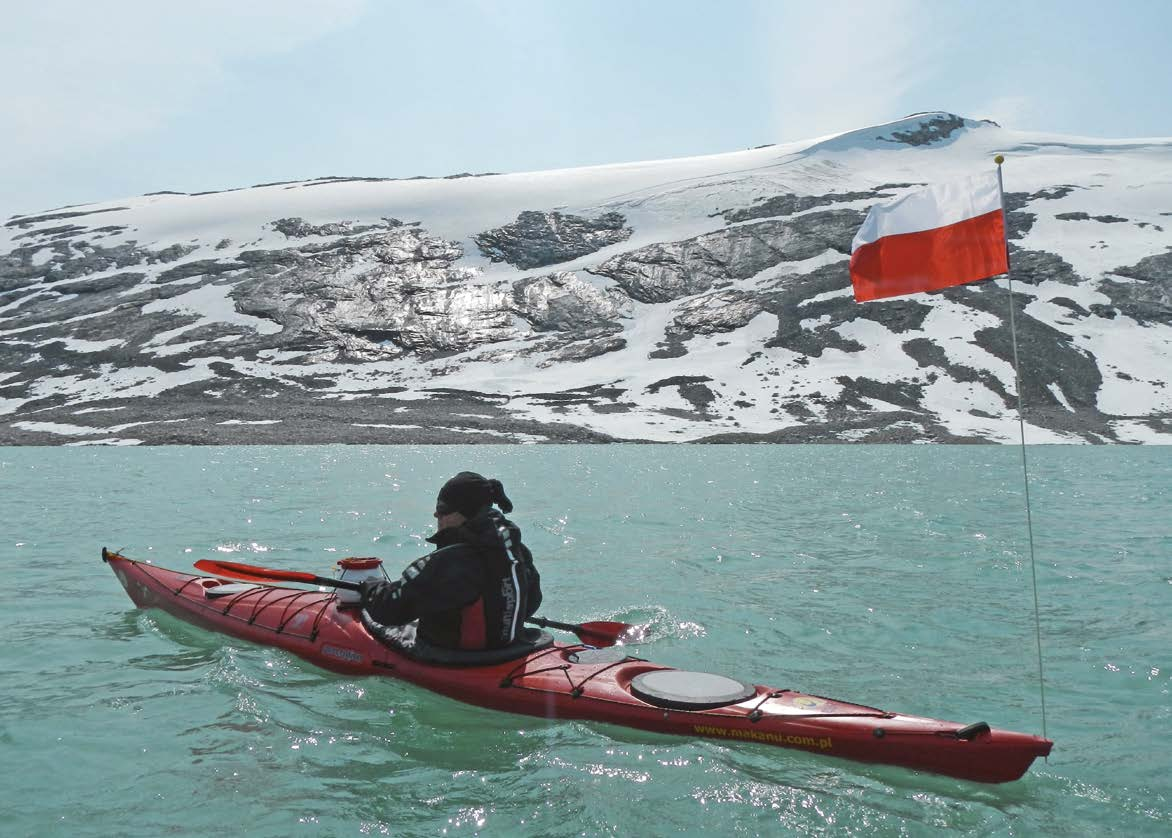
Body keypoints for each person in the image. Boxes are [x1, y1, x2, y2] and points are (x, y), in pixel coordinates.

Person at [360, 471, 542, 652]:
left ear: (467, 513)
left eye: (443, 508)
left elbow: (389, 610)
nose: (436, 514)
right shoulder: (516, 550)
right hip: (509, 648)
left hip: (458, 657)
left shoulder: (451, 561)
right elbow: (532, 602)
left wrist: (370, 586)